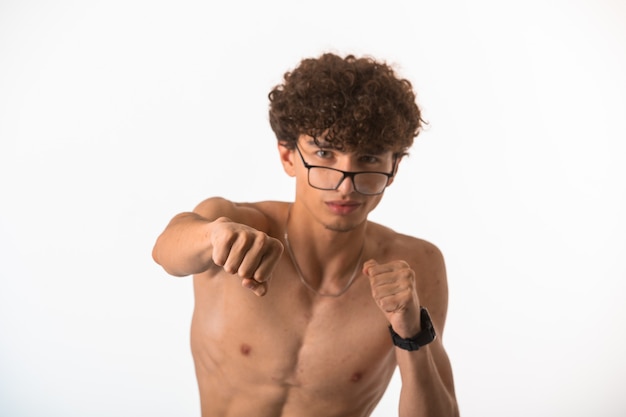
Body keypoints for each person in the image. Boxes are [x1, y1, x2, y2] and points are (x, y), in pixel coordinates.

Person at [152, 52, 459, 417]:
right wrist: (213, 238)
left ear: (393, 168)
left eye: (369, 159)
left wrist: (411, 335)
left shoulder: (415, 265)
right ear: (288, 156)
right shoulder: (235, 223)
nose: (345, 184)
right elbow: (166, 250)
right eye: (325, 153)